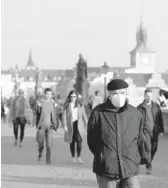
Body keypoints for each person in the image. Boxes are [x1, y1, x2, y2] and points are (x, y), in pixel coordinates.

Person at [87, 79, 144, 188]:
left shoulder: (135, 113)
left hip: (130, 167)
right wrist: (102, 154)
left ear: (126, 93)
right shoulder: (98, 113)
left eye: (122, 93)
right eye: (115, 93)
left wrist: (134, 156)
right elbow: (92, 140)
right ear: (109, 95)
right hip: (107, 169)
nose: (119, 96)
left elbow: (139, 138)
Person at [137, 89, 164, 174]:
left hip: (154, 131)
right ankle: (149, 167)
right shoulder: (140, 107)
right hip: (145, 132)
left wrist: (162, 130)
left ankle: (147, 161)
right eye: (147, 96)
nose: (149, 98)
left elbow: (160, 119)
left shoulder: (156, 106)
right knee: (148, 149)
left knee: (154, 148)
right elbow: (136, 120)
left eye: (150, 96)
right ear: (144, 96)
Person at [62, 90, 88, 164]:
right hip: (71, 125)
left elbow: (84, 116)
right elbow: (63, 116)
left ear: (76, 97)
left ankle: (79, 157)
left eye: (74, 96)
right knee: (72, 141)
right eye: (71, 96)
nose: (73, 98)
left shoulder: (80, 105)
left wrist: (87, 125)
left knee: (79, 141)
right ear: (69, 97)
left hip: (79, 125)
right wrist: (65, 125)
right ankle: (73, 156)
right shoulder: (67, 106)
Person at [36, 88, 58, 164]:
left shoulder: (53, 104)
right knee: (40, 142)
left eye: (50, 94)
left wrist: (55, 125)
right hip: (41, 125)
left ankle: (48, 159)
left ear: (52, 95)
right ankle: (40, 152)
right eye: (47, 94)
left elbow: (56, 115)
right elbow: (37, 114)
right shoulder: (40, 103)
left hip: (50, 126)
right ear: (44, 94)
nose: (48, 95)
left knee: (49, 143)